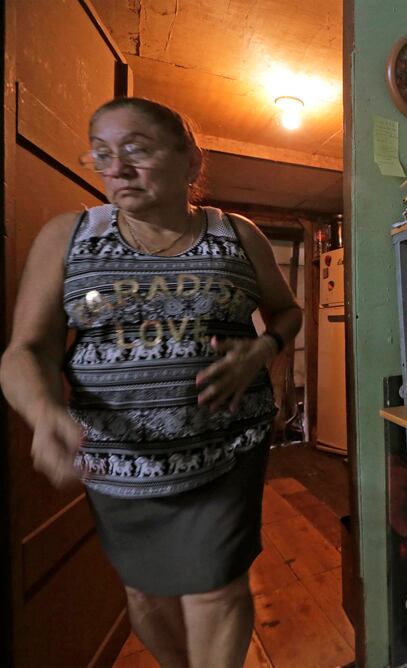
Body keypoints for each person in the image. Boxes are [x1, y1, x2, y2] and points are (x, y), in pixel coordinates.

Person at [0, 97, 302, 668]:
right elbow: (26, 350)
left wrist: (264, 349)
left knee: (217, 586)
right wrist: (42, 413)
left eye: (136, 150)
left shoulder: (238, 234)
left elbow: (287, 312)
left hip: (226, 448)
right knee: (147, 591)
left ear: (191, 162)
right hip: (118, 460)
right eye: (102, 154)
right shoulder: (68, 237)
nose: (116, 168)